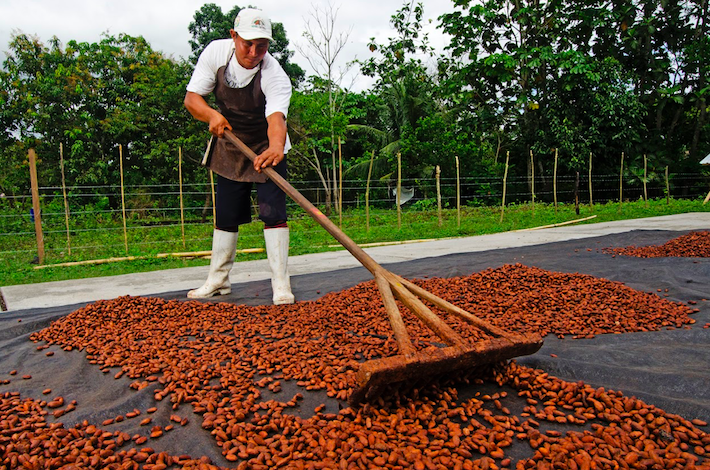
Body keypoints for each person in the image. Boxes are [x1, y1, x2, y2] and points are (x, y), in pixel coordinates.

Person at [184, 8, 294, 305]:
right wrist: (211, 115)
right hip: (230, 145)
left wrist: (274, 149)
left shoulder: (275, 74)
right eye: (248, 43)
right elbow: (192, 99)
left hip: (267, 146)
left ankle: (281, 284)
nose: (255, 52)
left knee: (273, 214)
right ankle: (218, 280)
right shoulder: (216, 54)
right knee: (227, 215)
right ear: (234, 36)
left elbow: (276, 119)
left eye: (263, 45)